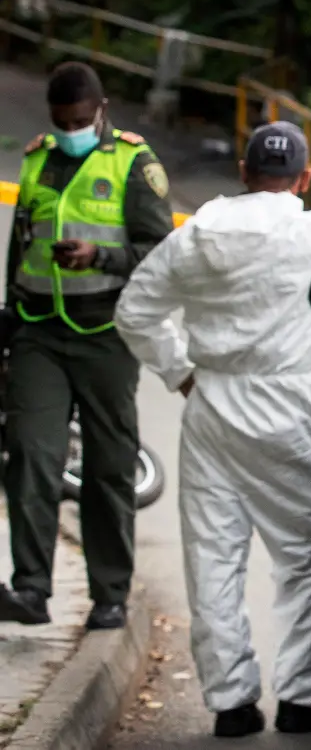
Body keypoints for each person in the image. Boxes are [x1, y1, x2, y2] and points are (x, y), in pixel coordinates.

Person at [113, 121, 311, 738]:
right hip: (285, 406)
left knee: (214, 558)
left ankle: (231, 703)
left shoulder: (199, 233)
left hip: (210, 406)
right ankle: (303, 699)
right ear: (306, 178)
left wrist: (179, 371)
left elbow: (135, 309)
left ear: (242, 170)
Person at [0, 61, 174, 630]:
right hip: (39, 331)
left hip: (104, 335)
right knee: (30, 453)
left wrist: (99, 257)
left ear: (100, 110)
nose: (68, 129)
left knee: (108, 467)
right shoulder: (37, 158)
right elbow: (20, 243)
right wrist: (9, 317)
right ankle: (29, 588)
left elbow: (159, 255)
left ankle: (110, 595)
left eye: (78, 119)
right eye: (59, 121)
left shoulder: (133, 162)